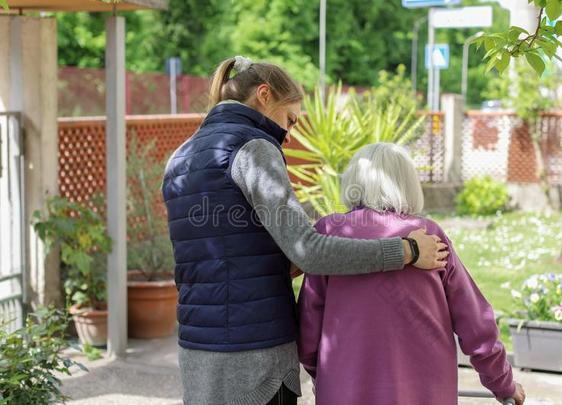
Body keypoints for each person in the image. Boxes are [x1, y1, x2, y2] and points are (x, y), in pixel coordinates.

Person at [161, 57, 448, 405]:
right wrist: (406, 251)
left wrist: (277, 262)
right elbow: (308, 250)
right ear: (264, 95)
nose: (290, 134)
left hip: (197, 350)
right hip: (257, 358)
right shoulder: (254, 148)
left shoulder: (180, 157)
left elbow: (214, 255)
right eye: (290, 119)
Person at [297, 143, 526, 405]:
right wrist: (503, 384)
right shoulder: (429, 236)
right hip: (425, 393)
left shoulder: (330, 232)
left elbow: (308, 326)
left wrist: (323, 376)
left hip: (347, 390)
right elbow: (475, 324)